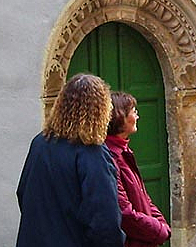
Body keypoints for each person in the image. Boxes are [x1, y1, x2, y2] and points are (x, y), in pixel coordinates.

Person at [17, 73, 125, 247]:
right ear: (101, 110)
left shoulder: (40, 143)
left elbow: (23, 193)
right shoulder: (91, 152)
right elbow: (104, 220)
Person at [105, 92, 171, 247]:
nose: (137, 117)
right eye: (133, 112)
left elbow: (143, 197)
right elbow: (125, 212)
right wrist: (158, 230)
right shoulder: (111, 157)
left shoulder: (124, 152)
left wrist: (160, 224)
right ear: (120, 117)